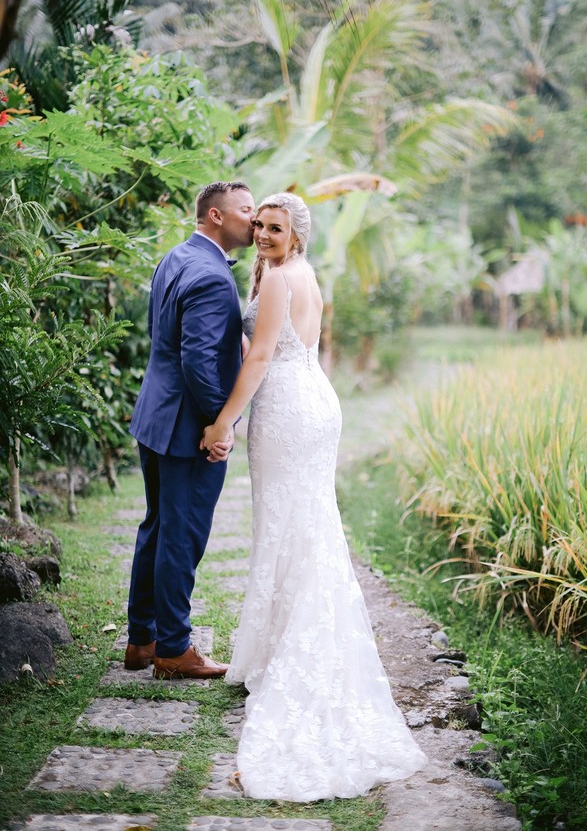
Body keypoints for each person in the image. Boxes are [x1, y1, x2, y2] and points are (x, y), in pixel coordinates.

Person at [201, 192, 427, 801]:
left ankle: (292, 653)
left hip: (289, 411)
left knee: (288, 526)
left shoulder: (279, 278)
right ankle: (278, 644)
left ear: (296, 235)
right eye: (261, 227)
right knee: (303, 527)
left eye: (277, 229)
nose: (266, 236)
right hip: (312, 402)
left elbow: (262, 357)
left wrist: (224, 423)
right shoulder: (301, 274)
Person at [125, 181, 255, 680]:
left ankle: (143, 639)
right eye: (246, 210)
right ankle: (175, 648)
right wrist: (216, 424)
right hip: (186, 427)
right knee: (182, 535)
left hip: (156, 416)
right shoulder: (211, 274)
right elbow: (199, 359)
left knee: (157, 528)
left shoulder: (176, 257)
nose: (254, 219)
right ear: (217, 216)